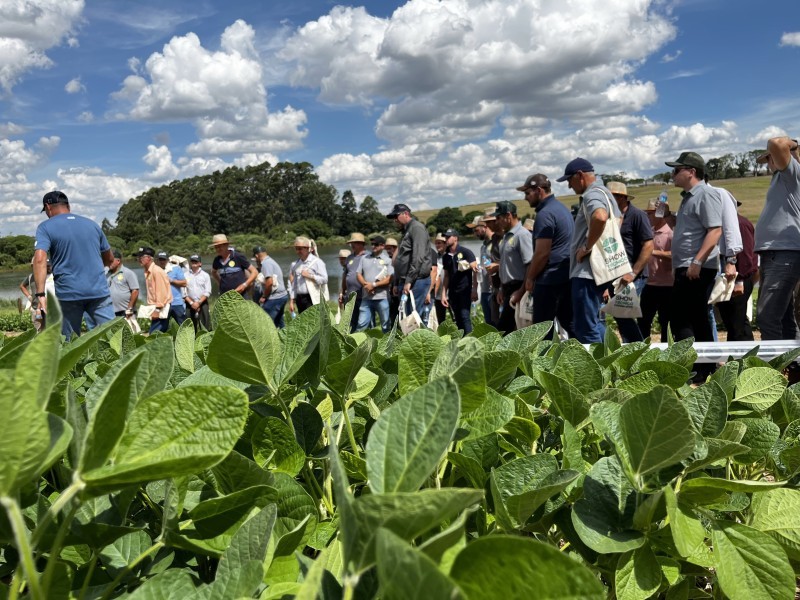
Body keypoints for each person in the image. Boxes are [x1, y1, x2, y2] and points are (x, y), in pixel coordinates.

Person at [33, 191, 115, 339]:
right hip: (99, 292)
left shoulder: (45, 227)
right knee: (114, 338)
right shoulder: (92, 225)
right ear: (68, 206)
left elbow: (39, 259)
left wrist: (40, 294)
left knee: (69, 344)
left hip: (68, 294)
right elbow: (110, 258)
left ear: (47, 207)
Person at [664, 152, 723, 348]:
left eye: (676, 170)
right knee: (692, 316)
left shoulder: (705, 194)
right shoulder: (689, 197)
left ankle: (699, 366)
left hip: (696, 267)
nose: (672, 175)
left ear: (691, 171)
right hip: (689, 265)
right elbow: (687, 229)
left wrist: (697, 261)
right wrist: (667, 216)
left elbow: (715, 231)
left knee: (685, 316)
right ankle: (700, 366)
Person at [558, 158, 621, 343]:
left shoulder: (591, 194)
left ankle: (598, 369)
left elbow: (600, 217)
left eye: (569, 180)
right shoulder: (606, 193)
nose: (569, 186)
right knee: (593, 323)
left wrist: (587, 246)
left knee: (585, 327)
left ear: (579, 175)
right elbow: (618, 220)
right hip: (600, 269)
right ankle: (609, 362)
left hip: (586, 272)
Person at [754, 136, 800, 339]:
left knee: (768, 316)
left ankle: (772, 367)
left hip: (784, 252)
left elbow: (777, 143)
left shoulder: (792, 172)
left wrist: (794, 145)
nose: (769, 163)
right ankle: (793, 365)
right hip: (777, 252)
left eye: (770, 158)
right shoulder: (782, 179)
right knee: (783, 316)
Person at [520, 174, 574, 337]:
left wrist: (530, 277)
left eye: (528, 193)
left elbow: (542, 253)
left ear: (538, 190)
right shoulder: (562, 209)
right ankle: (589, 356)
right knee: (570, 323)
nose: (525, 198)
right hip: (566, 276)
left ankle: (543, 361)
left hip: (550, 280)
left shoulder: (545, 214)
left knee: (542, 331)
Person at [607, 181, 654, 342]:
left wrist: (633, 272)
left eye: (610, 197)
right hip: (615, 274)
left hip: (634, 275)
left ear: (621, 197)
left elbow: (648, 245)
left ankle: (636, 349)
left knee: (623, 312)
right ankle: (634, 348)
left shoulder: (637, 215)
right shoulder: (611, 217)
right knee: (620, 314)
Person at [717, 202, 757, 341]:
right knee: (733, 321)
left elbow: (745, 256)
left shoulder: (740, 224)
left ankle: (742, 357)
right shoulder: (729, 225)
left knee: (736, 323)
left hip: (738, 279)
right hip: (730, 278)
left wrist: (740, 281)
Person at [494, 200, 533, 334]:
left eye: (499, 217)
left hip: (519, 287)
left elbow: (530, 263)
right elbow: (505, 266)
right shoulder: (506, 237)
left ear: (508, 216)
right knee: (510, 329)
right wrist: (501, 289)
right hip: (507, 288)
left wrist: (521, 291)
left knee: (505, 329)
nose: (497, 221)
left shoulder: (522, 235)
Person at [386, 203, 433, 315]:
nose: (394, 220)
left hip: (416, 281)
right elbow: (401, 258)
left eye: (396, 216)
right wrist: (397, 283)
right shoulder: (406, 230)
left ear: (406, 214)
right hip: (406, 281)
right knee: (406, 317)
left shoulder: (416, 228)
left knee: (413, 317)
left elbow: (418, 257)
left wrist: (409, 281)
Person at [639, 199, 674, 339]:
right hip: (649, 284)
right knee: (643, 320)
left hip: (667, 285)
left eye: (650, 214)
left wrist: (651, 252)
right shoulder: (649, 232)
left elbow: (675, 255)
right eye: (646, 214)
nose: (648, 217)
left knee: (666, 322)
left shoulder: (670, 233)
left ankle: (666, 351)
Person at [441, 228, 478, 334]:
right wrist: (444, 294)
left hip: (465, 291)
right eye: (446, 237)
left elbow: (475, 270)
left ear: (456, 238)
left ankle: (470, 340)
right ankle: (461, 342)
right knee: (457, 319)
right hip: (453, 292)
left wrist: (474, 289)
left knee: (465, 316)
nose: (446, 239)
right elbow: (446, 276)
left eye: (449, 237)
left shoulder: (466, 252)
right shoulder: (446, 256)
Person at [356, 236, 394, 332]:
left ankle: (387, 345)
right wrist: (366, 286)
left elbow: (389, 278)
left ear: (382, 246)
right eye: (372, 244)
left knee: (386, 325)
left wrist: (373, 285)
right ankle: (359, 344)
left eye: (376, 244)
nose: (373, 246)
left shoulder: (388, 260)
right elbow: (358, 274)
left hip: (382, 298)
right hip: (366, 297)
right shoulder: (364, 258)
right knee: (361, 325)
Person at [136, 246, 172, 334]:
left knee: (155, 336)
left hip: (160, 309)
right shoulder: (149, 272)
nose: (139, 259)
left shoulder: (157, 271)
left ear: (148, 258)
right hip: (156, 309)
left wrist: (157, 310)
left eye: (141, 257)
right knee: (157, 336)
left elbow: (161, 292)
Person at [467, 213, 495, 327]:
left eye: (476, 230)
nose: (475, 233)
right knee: (489, 325)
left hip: (494, 291)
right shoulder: (483, 246)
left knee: (498, 325)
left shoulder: (496, 244)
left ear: (485, 226)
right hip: (484, 290)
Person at [288, 236, 329, 314]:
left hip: (312, 298)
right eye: (296, 248)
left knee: (314, 323)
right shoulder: (295, 264)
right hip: (300, 299)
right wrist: (291, 300)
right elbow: (294, 284)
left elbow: (325, 279)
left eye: (300, 248)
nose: (298, 251)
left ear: (307, 248)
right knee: (303, 324)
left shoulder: (317, 262)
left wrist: (310, 276)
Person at [254, 246, 289, 328]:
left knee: (265, 323)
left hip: (275, 298)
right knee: (279, 323)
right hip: (282, 296)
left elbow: (269, 282)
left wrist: (264, 296)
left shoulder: (266, 263)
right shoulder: (270, 261)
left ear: (256, 256)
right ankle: (283, 339)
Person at [341, 233, 366, 332]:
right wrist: (342, 292)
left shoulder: (368, 257)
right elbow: (345, 275)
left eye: (354, 243)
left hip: (362, 296)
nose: (352, 246)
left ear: (360, 244)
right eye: (351, 243)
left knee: (363, 321)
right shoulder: (349, 258)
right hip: (349, 296)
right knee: (351, 322)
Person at [156, 250, 187, 326]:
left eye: (164, 259)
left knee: (182, 325)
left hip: (176, 303)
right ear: (157, 260)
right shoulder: (156, 270)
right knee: (162, 327)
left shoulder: (176, 268)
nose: (162, 261)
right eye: (160, 259)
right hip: (163, 304)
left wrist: (171, 280)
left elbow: (184, 283)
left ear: (168, 260)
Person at [107, 250, 140, 318]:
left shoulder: (128, 273)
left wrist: (130, 308)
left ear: (118, 261)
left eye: (111, 261)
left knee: (131, 328)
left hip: (126, 312)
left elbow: (135, 291)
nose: (108, 263)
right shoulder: (108, 275)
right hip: (112, 313)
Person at [185, 254, 212, 331]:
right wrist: (191, 303)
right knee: (190, 327)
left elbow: (208, 291)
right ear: (190, 263)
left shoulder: (205, 275)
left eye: (196, 261)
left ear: (200, 263)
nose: (194, 263)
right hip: (189, 303)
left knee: (205, 325)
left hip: (202, 302)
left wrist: (198, 303)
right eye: (192, 261)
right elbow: (183, 292)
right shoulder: (185, 275)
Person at [432, 233, 448, 326]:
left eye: (440, 243)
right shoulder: (435, 257)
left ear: (445, 243)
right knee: (440, 320)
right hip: (437, 294)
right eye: (436, 243)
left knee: (455, 319)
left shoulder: (450, 256)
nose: (437, 245)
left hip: (449, 293)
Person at [385, 237, 400, 325]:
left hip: (397, 291)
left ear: (395, 248)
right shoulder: (387, 260)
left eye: (389, 248)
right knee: (392, 315)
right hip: (390, 292)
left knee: (398, 314)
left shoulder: (399, 260)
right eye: (387, 249)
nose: (388, 251)